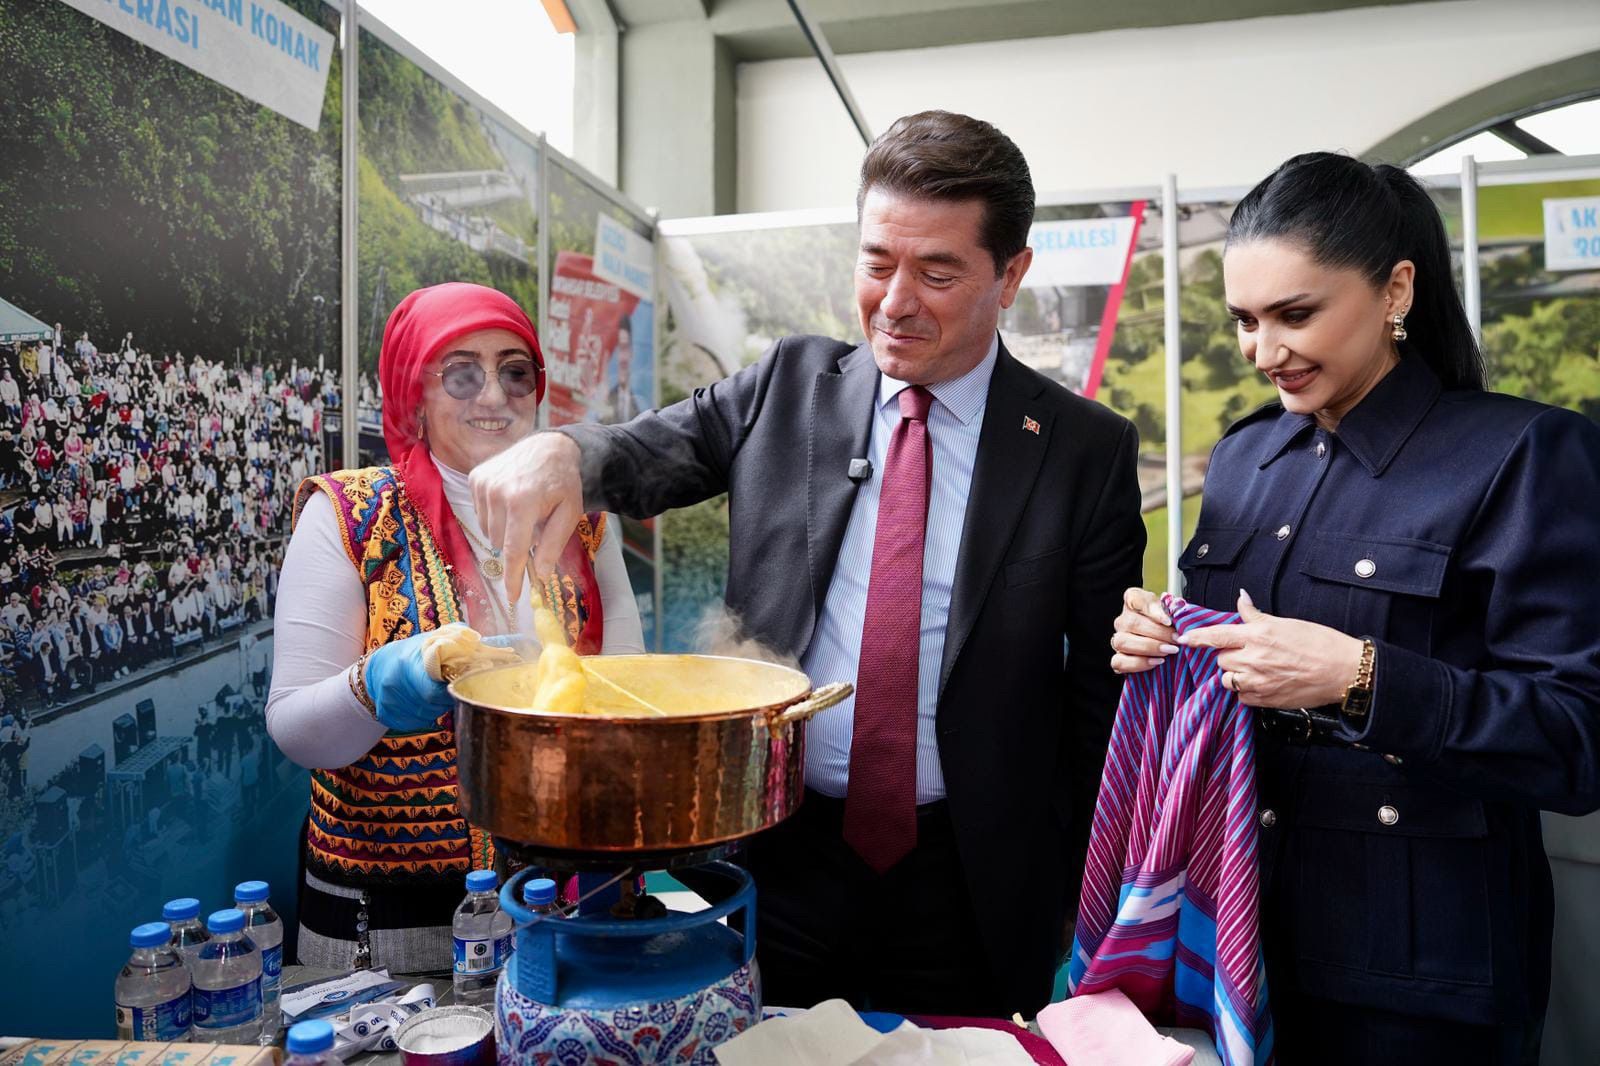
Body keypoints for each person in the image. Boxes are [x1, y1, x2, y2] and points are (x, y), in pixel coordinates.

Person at [470, 112, 1145, 1017]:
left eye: (938, 272)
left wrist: (1077, 878)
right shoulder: (790, 385)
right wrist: (565, 454)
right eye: (876, 264)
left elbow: (1102, 699)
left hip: (972, 881)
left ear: (1011, 274)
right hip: (778, 856)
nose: (896, 301)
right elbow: (651, 451)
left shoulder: (1079, 450)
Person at [1109, 153, 1600, 1065]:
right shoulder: (1246, 460)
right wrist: (1160, 642)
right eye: (1246, 321)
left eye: (1296, 315)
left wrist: (1361, 679)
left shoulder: (1526, 457)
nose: (1263, 353)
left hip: (1420, 978)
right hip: (1233, 942)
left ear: (1395, 291)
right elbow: (1229, 667)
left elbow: (1580, 740)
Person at [266, 282, 645, 972]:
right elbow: (295, 727)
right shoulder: (350, 515)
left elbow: (627, 691)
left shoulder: (586, 519)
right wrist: (382, 684)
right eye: (462, 372)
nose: (494, 396)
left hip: (569, 898)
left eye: (514, 370)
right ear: (415, 392)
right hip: (388, 923)